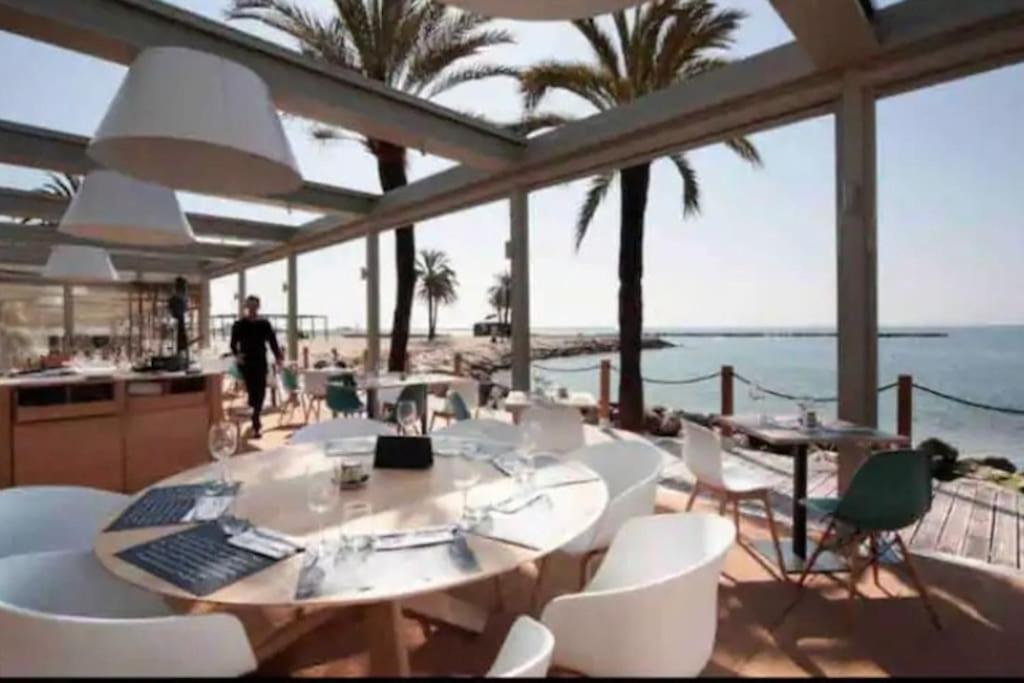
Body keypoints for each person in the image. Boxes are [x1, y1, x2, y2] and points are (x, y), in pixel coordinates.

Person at [230, 295, 283, 438]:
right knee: (253, 393)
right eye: (250, 306)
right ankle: (255, 410)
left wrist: (278, 357)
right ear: (246, 307)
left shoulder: (264, 324)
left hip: (260, 361)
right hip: (246, 362)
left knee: (261, 390)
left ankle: (256, 420)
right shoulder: (239, 324)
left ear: (258, 307)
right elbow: (233, 344)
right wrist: (237, 355)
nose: (252, 309)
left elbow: (273, 342)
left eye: (255, 306)